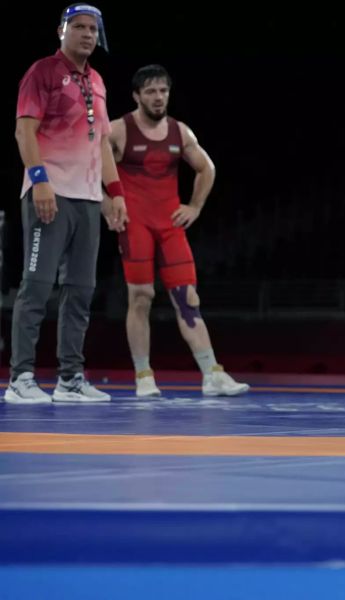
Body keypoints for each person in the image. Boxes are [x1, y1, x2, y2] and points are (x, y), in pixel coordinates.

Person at [4, 4, 127, 404]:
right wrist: (39, 182)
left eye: (93, 29)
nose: (87, 34)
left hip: (89, 201)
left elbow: (103, 144)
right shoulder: (42, 72)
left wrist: (115, 194)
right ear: (62, 30)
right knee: (37, 286)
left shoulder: (98, 81)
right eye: (79, 27)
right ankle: (20, 379)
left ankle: (70, 379)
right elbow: (24, 132)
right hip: (50, 194)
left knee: (81, 290)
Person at [108, 65, 249, 397]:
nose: (158, 98)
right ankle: (143, 376)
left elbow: (207, 168)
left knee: (188, 299)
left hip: (170, 226)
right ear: (136, 96)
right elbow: (90, 168)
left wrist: (195, 206)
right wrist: (107, 204)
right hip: (136, 225)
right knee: (140, 298)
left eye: (163, 91)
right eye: (151, 92)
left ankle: (212, 374)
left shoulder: (180, 132)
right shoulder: (118, 130)